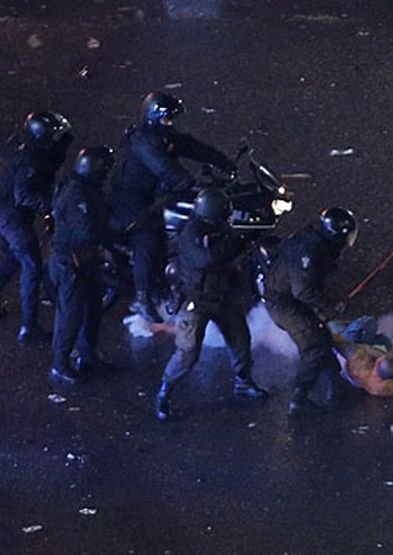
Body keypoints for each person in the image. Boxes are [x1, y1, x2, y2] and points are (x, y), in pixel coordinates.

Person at [111, 91, 235, 323]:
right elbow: (165, 169)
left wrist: (222, 161)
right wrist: (190, 184)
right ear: (154, 118)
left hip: (154, 191)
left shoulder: (160, 136)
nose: (171, 124)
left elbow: (190, 146)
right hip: (132, 198)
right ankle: (142, 297)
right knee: (147, 238)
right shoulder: (144, 142)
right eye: (168, 119)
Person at [154, 188, 267, 421]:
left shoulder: (216, 227)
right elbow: (209, 259)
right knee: (188, 351)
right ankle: (165, 392)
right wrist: (237, 239)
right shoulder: (191, 234)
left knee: (240, 339)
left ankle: (243, 382)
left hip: (222, 294)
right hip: (197, 299)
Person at [262, 208, 358, 415]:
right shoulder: (308, 251)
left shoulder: (315, 243)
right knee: (314, 349)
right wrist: (330, 305)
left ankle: (337, 386)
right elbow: (303, 290)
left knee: (323, 337)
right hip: (284, 305)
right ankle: (299, 400)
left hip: (287, 299)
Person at [0, 111, 74, 342]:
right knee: (31, 265)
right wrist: (51, 205)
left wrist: (63, 144)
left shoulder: (27, 146)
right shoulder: (29, 160)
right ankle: (29, 328)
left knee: (14, 257)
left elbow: (48, 161)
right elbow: (24, 196)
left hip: (7, 210)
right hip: (11, 215)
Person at [49, 146, 119, 384]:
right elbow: (87, 232)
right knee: (70, 315)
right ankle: (60, 363)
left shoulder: (84, 189)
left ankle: (87, 355)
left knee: (92, 309)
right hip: (71, 263)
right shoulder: (77, 197)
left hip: (86, 261)